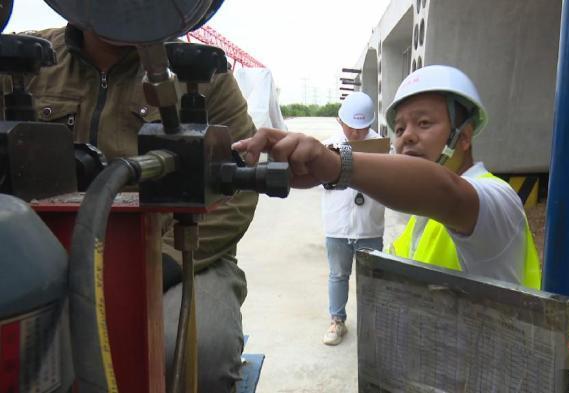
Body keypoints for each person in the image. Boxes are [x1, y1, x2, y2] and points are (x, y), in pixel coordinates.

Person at [23, 24, 258, 391]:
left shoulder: (203, 73)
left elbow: (239, 188)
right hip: (41, 253)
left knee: (194, 350)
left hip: (185, 256)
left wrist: (161, 263)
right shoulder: (26, 58)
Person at [234, 65, 541, 289]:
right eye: (400, 129)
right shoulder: (421, 219)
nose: (406, 137)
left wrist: (335, 164)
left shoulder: (496, 200)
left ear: (464, 137)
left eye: (423, 123)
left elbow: (444, 190)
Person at [321, 92, 385, 346]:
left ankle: (373, 324)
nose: (357, 134)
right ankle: (337, 322)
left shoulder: (382, 147)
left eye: (362, 128)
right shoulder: (327, 147)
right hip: (337, 226)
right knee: (338, 275)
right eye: (351, 128)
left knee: (372, 278)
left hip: (370, 226)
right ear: (340, 121)